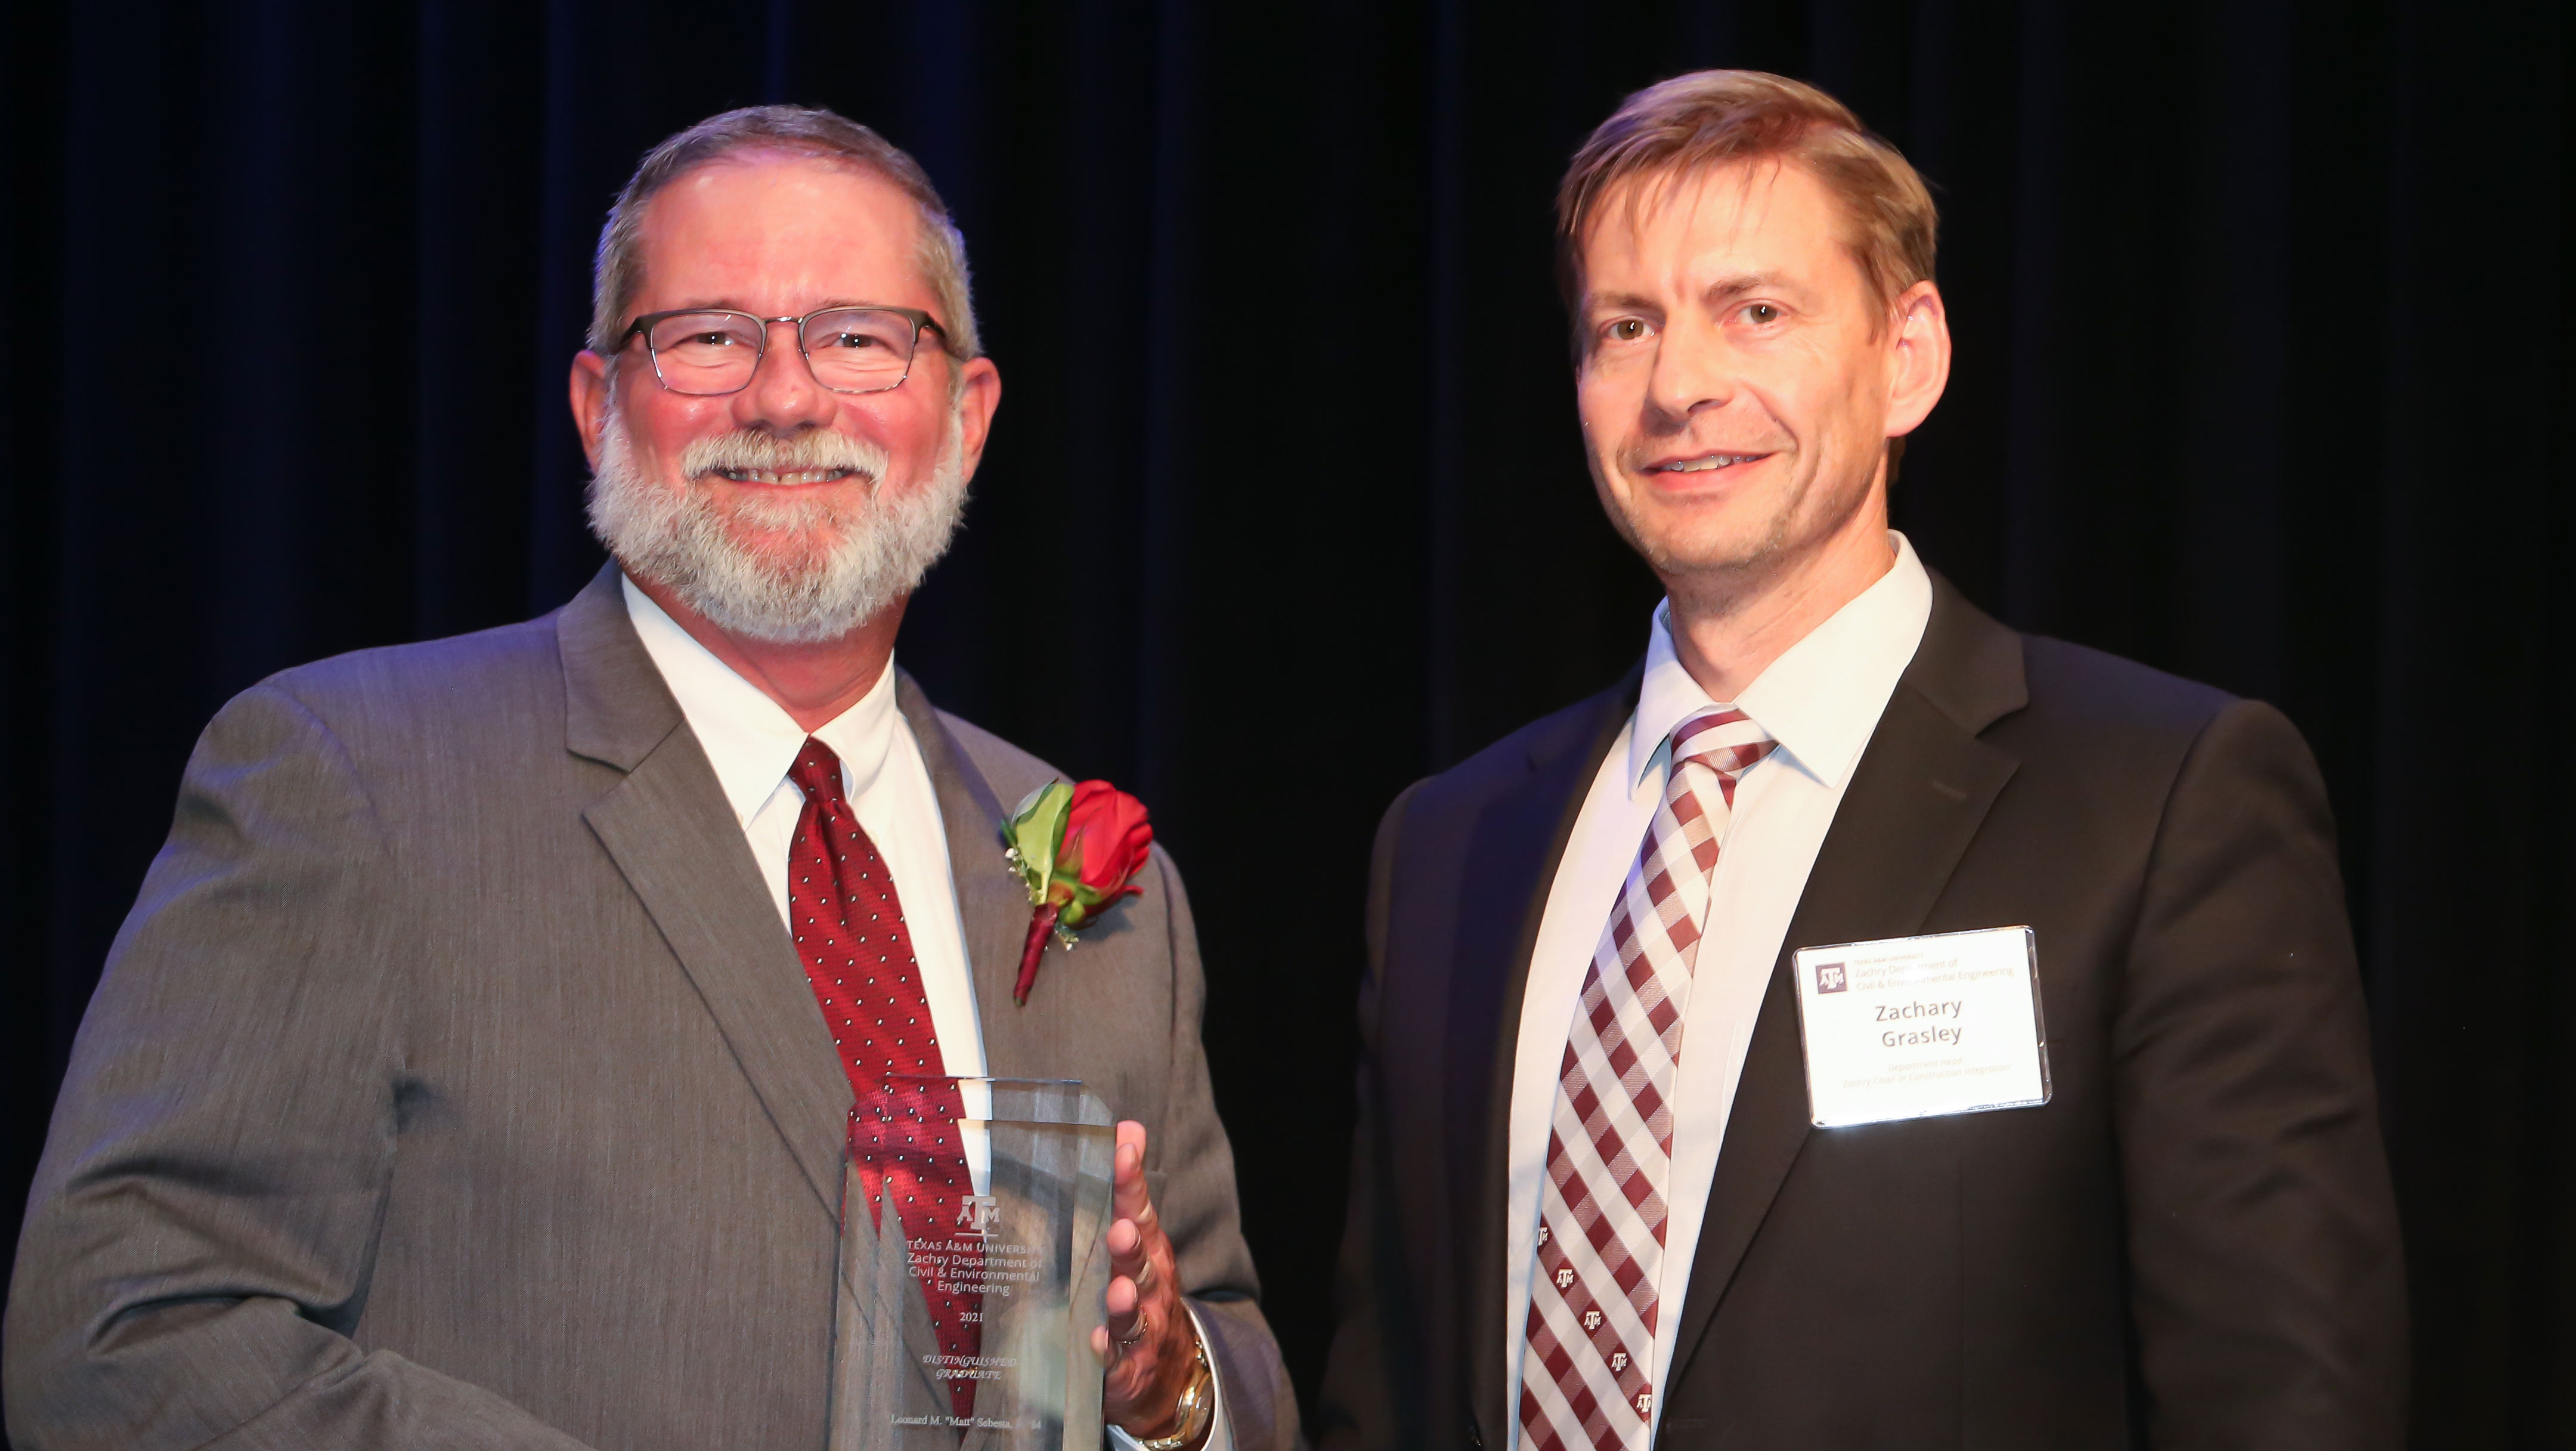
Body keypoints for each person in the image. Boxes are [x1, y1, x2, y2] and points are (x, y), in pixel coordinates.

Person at [5, 106, 1293, 1451]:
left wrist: (1167, 1384)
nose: (785, 397)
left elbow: (1244, 1372)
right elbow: (122, 1342)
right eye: (707, 336)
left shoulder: (1111, 896)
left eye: (857, 337)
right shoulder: (356, 781)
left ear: (966, 417)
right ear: (595, 404)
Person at [1315, 70, 2404, 1451]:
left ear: (1909, 358)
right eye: (1624, 326)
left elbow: (2285, 1400)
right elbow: (1387, 1394)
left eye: (1754, 312)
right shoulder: (1451, 847)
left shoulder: (2161, 800)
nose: (1680, 386)